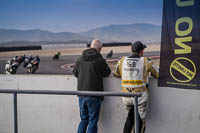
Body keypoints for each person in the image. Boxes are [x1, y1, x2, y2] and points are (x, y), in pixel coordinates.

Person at [113, 41, 159, 133]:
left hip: (126, 96)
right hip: (140, 96)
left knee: (130, 119)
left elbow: (116, 74)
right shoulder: (146, 61)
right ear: (141, 51)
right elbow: (157, 74)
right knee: (140, 122)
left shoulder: (122, 60)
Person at [73, 39, 111, 133]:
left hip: (81, 93)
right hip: (94, 94)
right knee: (92, 122)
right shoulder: (99, 60)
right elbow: (107, 72)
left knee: (83, 120)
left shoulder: (80, 58)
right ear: (100, 49)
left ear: (90, 46)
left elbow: (75, 72)